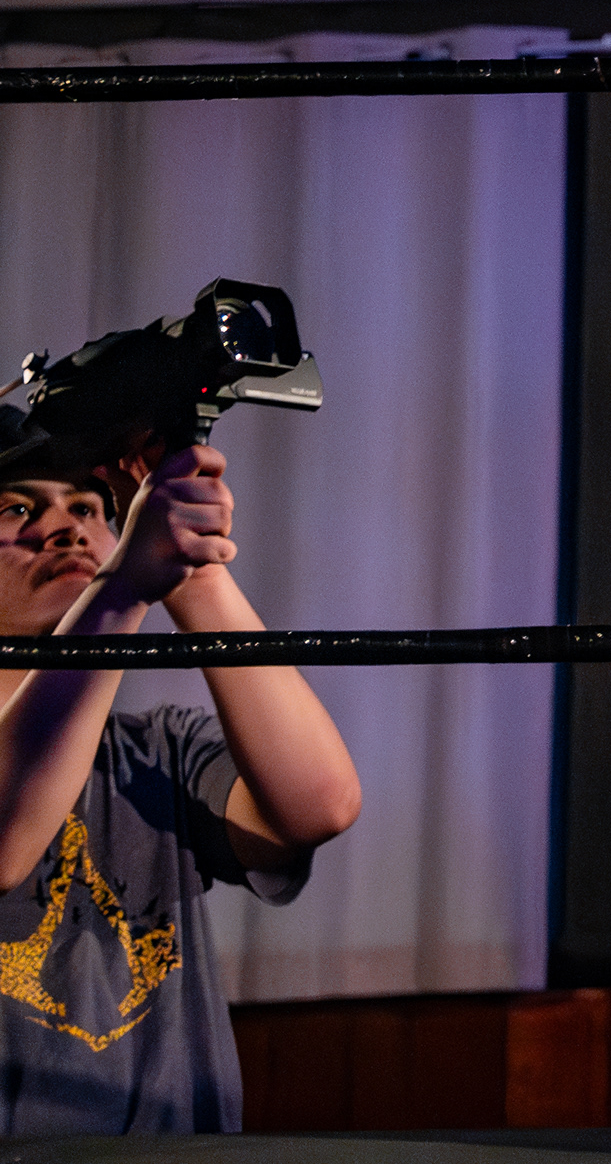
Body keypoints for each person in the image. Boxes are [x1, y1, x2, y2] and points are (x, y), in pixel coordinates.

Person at [0, 431, 360, 1133]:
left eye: (90, 507)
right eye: (17, 508)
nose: (66, 526)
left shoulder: (160, 748)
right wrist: (122, 587)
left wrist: (194, 570)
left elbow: (321, 803)